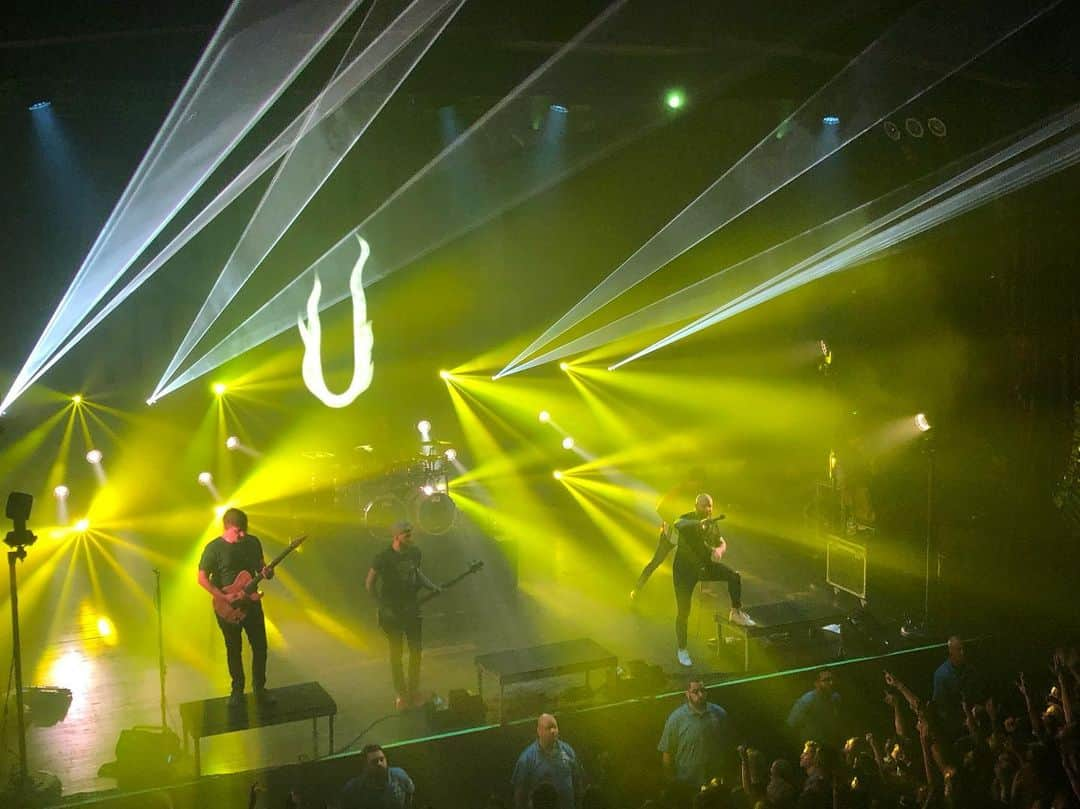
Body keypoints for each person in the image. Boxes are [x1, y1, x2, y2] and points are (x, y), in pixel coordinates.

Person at [197, 507, 275, 707]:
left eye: (244, 530)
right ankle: (237, 691)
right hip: (228, 608)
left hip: (252, 603)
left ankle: (259, 689)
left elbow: (260, 567)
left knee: (260, 647)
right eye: (238, 531)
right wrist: (222, 596)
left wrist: (266, 572)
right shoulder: (213, 549)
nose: (243, 534)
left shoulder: (252, 542)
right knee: (234, 649)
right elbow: (202, 578)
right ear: (226, 527)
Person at [366, 520, 440, 710]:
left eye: (411, 533)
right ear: (396, 536)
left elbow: (416, 574)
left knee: (416, 651)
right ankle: (401, 694)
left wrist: (432, 586)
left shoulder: (415, 553)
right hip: (392, 612)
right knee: (396, 654)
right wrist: (382, 607)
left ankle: (414, 691)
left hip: (412, 609)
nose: (411, 537)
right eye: (407, 534)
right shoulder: (383, 557)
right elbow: (370, 583)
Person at [672, 494, 752, 667]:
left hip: (704, 567)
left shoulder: (712, 522)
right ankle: (682, 649)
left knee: (734, 576)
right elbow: (677, 524)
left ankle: (735, 612)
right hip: (684, 572)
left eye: (710, 506)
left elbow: (721, 541)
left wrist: (719, 550)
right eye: (704, 506)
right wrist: (698, 524)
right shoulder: (688, 518)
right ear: (695, 506)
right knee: (683, 611)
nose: (707, 509)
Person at [658, 677, 732, 790]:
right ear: (687, 694)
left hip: (715, 780)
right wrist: (671, 781)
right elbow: (667, 751)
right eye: (695, 692)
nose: (700, 695)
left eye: (703, 690)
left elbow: (727, 744)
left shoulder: (719, 713)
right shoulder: (676, 718)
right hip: (687, 783)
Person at [512, 713, 584, 809]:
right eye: (549, 728)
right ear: (539, 731)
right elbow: (520, 794)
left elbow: (577, 781)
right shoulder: (527, 759)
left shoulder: (568, 750)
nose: (553, 731)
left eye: (555, 727)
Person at [340, 743, 415, 809]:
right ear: (365, 766)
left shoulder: (399, 775)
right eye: (374, 762)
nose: (379, 764)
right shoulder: (354, 788)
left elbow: (410, 794)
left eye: (382, 759)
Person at [932, 635, 978, 738]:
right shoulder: (941, 674)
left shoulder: (970, 669)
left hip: (974, 722)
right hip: (955, 729)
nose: (963, 652)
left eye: (963, 649)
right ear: (951, 651)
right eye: (959, 649)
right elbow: (940, 706)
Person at [785, 669, 842, 749]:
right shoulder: (807, 700)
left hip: (831, 744)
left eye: (831, 679)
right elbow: (792, 722)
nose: (831, 683)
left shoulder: (836, 698)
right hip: (812, 747)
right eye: (826, 680)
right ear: (816, 683)